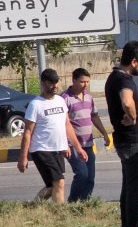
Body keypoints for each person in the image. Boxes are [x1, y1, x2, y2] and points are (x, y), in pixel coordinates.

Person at [17, 69, 87, 203]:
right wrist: (23, 157)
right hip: (41, 149)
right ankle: (60, 216)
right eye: (51, 83)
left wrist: (77, 148)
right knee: (59, 182)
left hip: (58, 150)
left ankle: (32, 207)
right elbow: (27, 132)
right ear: (43, 83)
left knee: (52, 187)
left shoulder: (60, 100)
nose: (55, 86)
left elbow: (67, 125)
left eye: (56, 82)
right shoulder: (35, 104)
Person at [104, 40, 138, 227]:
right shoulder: (124, 80)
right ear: (133, 61)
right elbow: (126, 100)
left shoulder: (114, 76)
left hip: (126, 139)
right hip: (133, 140)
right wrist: (132, 116)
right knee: (135, 188)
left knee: (128, 186)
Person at [62, 67, 111, 201]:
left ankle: (85, 203)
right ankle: (73, 202)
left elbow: (94, 117)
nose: (85, 85)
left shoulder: (89, 97)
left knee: (90, 177)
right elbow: (62, 124)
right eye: (82, 82)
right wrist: (66, 144)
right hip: (73, 145)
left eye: (87, 82)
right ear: (74, 80)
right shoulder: (65, 99)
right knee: (82, 174)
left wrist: (105, 133)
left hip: (88, 143)